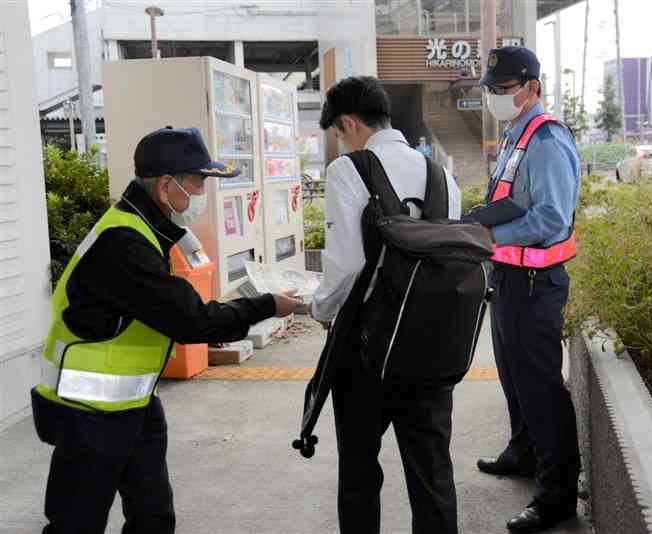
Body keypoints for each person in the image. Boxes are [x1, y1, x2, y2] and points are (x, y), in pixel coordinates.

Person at [31, 126, 302, 534]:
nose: (201, 194)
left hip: (134, 404)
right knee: (76, 523)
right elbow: (191, 320)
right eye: (197, 182)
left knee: (153, 516)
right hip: (89, 414)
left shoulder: (144, 228)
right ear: (165, 186)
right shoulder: (123, 242)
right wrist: (267, 305)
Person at [311, 76, 462, 534]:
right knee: (432, 470)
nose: (339, 143)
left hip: (366, 347)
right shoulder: (442, 175)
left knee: (359, 468)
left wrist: (320, 309)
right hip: (433, 343)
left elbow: (348, 263)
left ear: (349, 123)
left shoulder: (348, 170)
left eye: (337, 133)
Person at [474, 47, 582, 533]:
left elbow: (552, 217)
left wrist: (491, 235)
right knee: (514, 377)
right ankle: (522, 450)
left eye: (503, 90)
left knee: (540, 387)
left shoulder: (547, 139)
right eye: (491, 90)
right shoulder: (514, 137)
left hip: (537, 282)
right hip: (509, 277)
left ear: (531, 88)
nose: (495, 98)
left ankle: (556, 494)